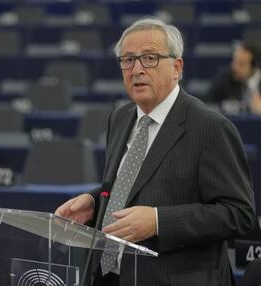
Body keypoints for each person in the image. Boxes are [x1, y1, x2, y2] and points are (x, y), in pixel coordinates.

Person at [55, 18, 256, 286]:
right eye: (127, 60)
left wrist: (159, 221)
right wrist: (95, 203)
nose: (136, 69)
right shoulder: (120, 117)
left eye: (149, 58)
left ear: (177, 67)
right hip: (110, 275)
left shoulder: (210, 127)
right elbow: (135, 182)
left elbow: (238, 214)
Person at [207, 42, 261, 114]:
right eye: (234, 61)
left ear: (255, 67)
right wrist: (237, 106)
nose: (234, 67)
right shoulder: (224, 77)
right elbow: (208, 105)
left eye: (241, 64)